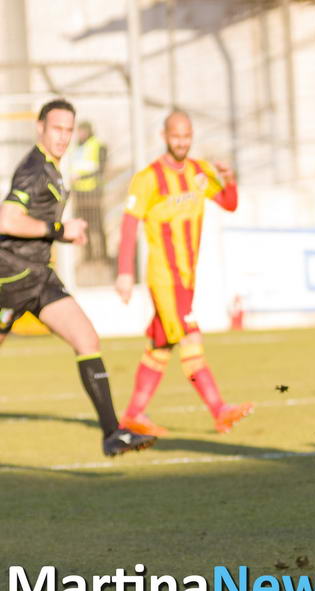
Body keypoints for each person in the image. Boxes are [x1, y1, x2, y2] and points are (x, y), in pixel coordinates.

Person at [0, 99, 156, 456]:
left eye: (68, 130)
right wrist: (59, 229)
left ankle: (112, 433)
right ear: (40, 128)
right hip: (10, 279)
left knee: (87, 339)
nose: (63, 137)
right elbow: (6, 221)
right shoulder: (33, 169)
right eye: (56, 129)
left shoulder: (53, 168)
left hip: (38, 277)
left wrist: (64, 233)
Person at [115, 110, 252, 436]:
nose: (182, 142)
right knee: (190, 336)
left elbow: (229, 204)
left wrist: (229, 179)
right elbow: (129, 224)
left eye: (187, 136)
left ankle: (134, 414)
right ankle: (219, 410)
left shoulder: (199, 173)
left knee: (160, 345)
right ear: (164, 136)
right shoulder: (148, 178)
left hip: (188, 277)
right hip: (164, 278)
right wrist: (123, 272)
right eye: (176, 136)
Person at [69, 121, 108, 262]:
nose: (80, 134)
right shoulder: (76, 147)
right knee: (84, 226)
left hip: (93, 191)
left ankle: (103, 255)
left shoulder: (98, 145)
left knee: (97, 226)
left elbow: (100, 169)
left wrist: (82, 177)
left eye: (83, 131)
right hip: (79, 192)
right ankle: (89, 256)